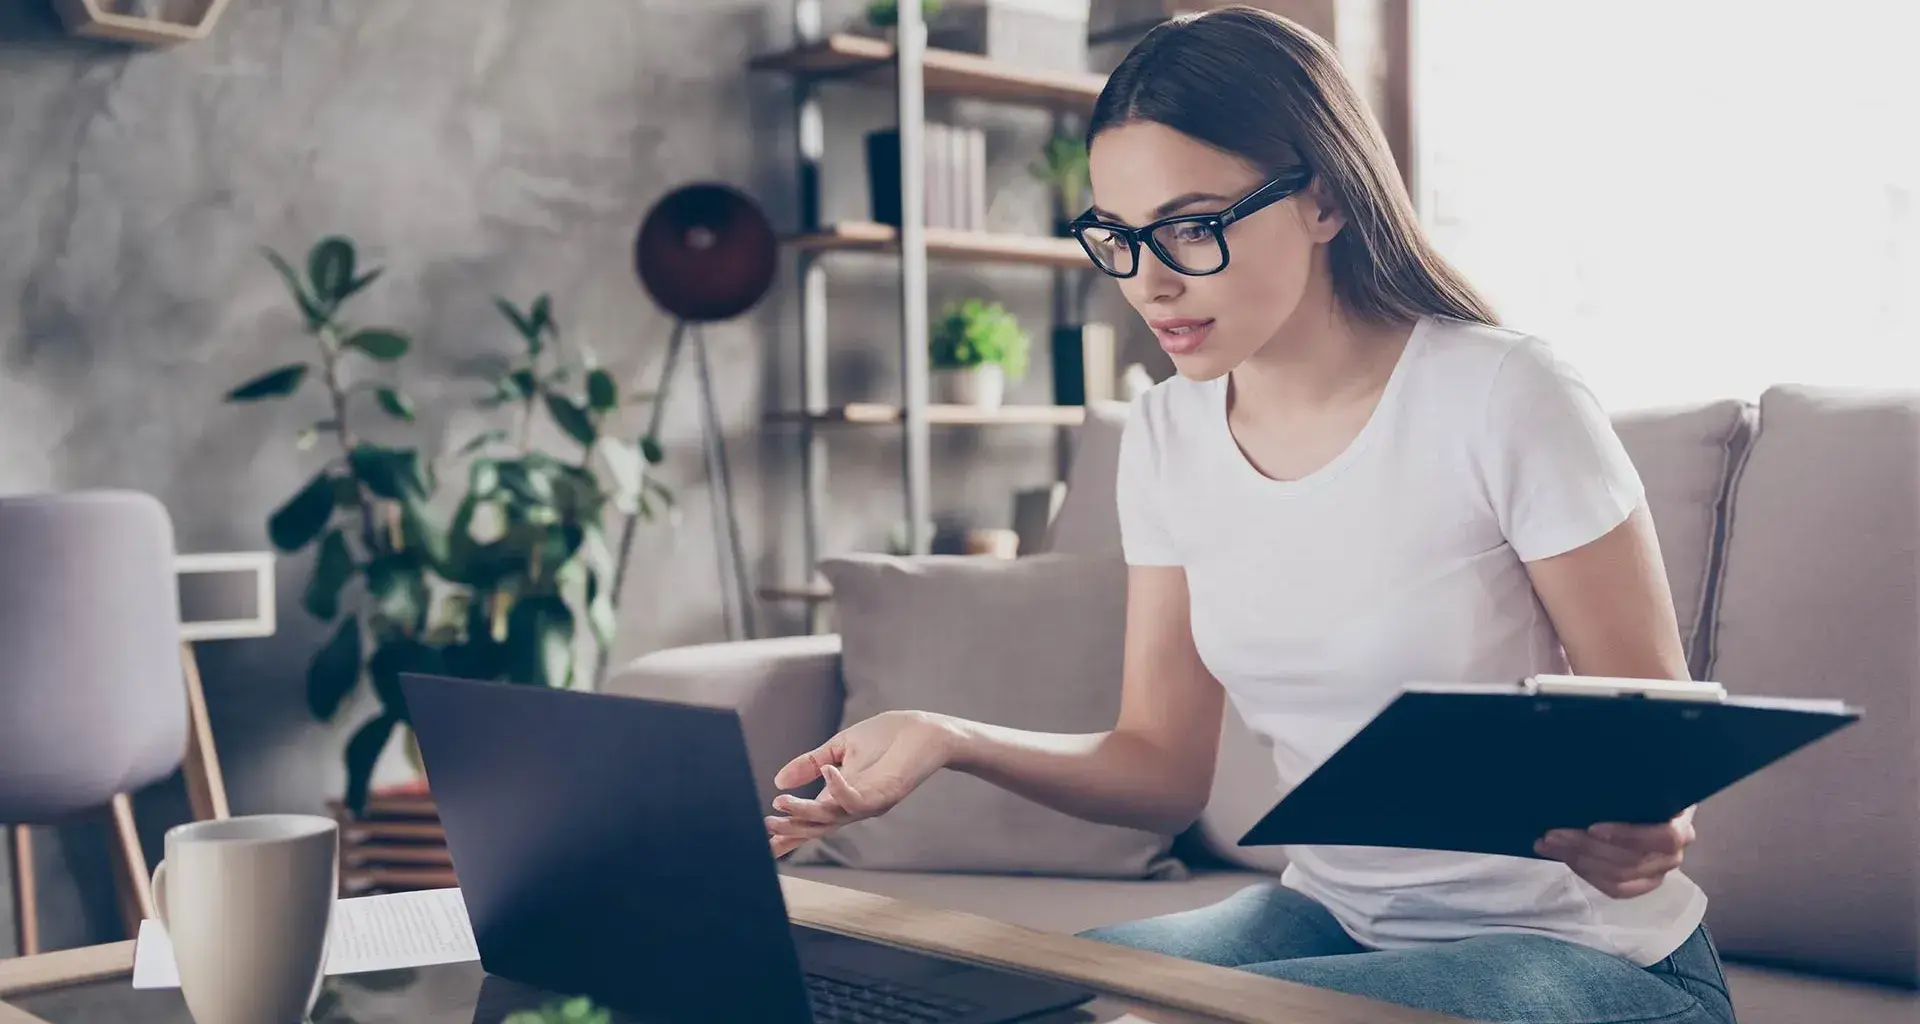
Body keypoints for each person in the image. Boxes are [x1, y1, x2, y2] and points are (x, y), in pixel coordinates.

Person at [763, 7, 1735, 1023]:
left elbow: (1657, 744)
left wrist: (1649, 823)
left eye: (1192, 226)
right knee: (1028, 1001)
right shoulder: (1165, 434)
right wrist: (948, 736)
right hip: (1335, 917)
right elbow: (1160, 767)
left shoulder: (1504, 394)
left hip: (1596, 958)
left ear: (1323, 198)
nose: (1149, 282)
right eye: (1118, 237)